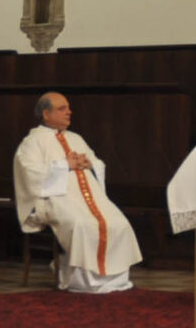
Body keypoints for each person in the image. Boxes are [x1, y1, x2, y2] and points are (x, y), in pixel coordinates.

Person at [12, 92, 139, 293]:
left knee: (119, 223)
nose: (69, 112)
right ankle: (83, 281)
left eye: (68, 108)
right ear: (46, 114)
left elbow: (96, 162)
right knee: (82, 225)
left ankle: (114, 279)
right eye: (62, 109)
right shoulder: (33, 141)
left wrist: (90, 164)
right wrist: (65, 165)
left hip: (90, 198)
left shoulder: (76, 138)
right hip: (56, 199)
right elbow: (29, 172)